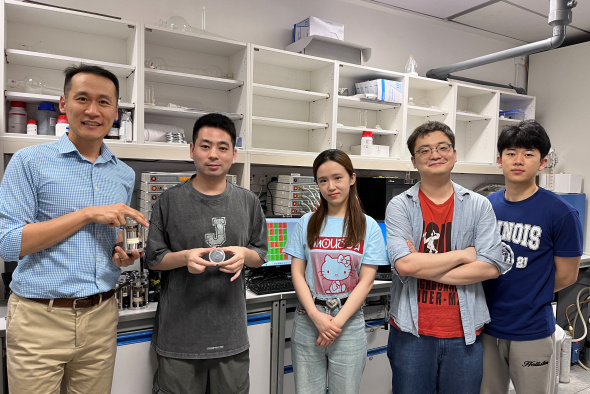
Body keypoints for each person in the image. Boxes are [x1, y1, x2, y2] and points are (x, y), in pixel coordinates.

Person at [0, 64, 148, 393]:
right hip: (40, 318)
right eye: (82, 98)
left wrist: (121, 256)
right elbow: (8, 244)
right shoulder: (29, 162)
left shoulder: (123, 174)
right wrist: (85, 214)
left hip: (101, 316)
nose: (93, 110)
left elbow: (107, 246)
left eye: (104, 102)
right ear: (64, 104)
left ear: (116, 111)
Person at [145, 113, 268, 394]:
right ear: (191, 150)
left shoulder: (248, 202)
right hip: (179, 339)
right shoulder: (169, 201)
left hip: (231, 336)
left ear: (234, 154)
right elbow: (153, 259)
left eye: (223, 147)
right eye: (205, 146)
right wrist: (183, 258)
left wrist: (243, 255)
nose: (214, 154)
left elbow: (260, 254)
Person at [385, 121, 509, 394]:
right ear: (414, 160)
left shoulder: (478, 205)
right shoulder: (400, 206)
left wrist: (421, 265)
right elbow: (404, 264)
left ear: (454, 154)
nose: (435, 154)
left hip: (463, 333)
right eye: (425, 150)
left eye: (443, 148)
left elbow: (490, 267)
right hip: (411, 332)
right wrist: (464, 255)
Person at [480, 120, 583, 394]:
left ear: (542, 162)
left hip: (531, 328)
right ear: (499, 160)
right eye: (511, 153)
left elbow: (567, 275)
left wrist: (529, 295)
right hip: (487, 326)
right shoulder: (487, 207)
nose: (518, 161)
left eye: (528, 154)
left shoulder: (560, 213)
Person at [283, 149, 389, 394]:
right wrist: (316, 316)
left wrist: (335, 324)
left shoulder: (367, 225)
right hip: (308, 319)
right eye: (323, 180)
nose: (331, 186)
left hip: (348, 323)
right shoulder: (308, 222)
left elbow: (367, 281)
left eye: (337, 177)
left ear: (352, 178)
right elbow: (297, 273)